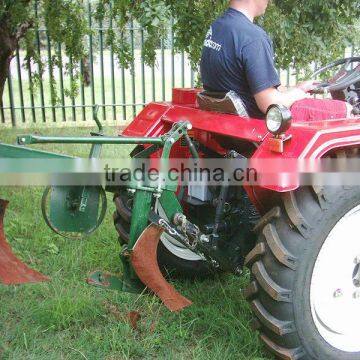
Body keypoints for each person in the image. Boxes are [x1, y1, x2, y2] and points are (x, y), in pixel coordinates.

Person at [200, 0, 352, 121]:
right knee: (349, 111)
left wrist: (296, 88)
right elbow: (269, 103)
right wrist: (299, 93)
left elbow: (244, 86)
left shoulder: (217, 27)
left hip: (232, 124)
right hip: (263, 125)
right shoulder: (252, 37)